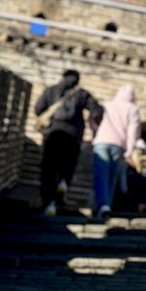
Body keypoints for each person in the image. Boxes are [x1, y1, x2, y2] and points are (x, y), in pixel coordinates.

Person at [33, 69, 102, 216]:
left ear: (62, 77)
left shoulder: (50, 91)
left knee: (49, 168)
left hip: (53, 132)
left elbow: (38, 109)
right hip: (73, 135)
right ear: (77, 80)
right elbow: (96, 110)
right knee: (67, 166)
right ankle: (62, 186)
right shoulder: (82, 93)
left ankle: (47, 202)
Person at [91, 84, 141, 220]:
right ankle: (106, 205)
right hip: (119, 145)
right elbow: (133, 132)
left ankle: (101, 205)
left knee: (100, 175)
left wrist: (96, 133)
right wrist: (129, 150)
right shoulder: (133, 109)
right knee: (111, 178)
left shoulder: (107, 105)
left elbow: (93, 117)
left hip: (101, 142)